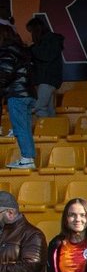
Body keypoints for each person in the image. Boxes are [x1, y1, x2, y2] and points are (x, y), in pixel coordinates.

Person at [0, 23, 36, 169]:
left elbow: (4, 74)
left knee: (20, 128)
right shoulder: (22, 51)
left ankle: (27, 159)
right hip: (28, 93)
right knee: (25, 128)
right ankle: (28, 158)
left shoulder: (7, 52)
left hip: (17, 94)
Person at [26, 16, 64, 118]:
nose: (30, 35)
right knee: (49, 109)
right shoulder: (49, 40)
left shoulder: (51, 40)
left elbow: (45, 55)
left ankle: (45, 128)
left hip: (47, 79)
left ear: (36, 30)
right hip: (47, 80)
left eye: (31, 31)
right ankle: (53, 128)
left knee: (40, 108)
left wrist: (32, 48)